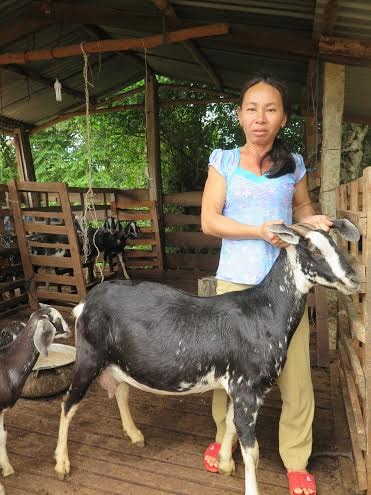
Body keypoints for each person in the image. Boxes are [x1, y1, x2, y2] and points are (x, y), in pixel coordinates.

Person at [201, 74, 332, 495]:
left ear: (283, 118)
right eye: (252, 108)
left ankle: (296, 458)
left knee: (296, 375)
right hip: (235, 287)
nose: (260, 118)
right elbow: (209, 220)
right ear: (240, 115)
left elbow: (304, 210)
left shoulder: (292, 165)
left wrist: (312, 222)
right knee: (225, 373)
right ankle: (226, 439)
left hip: (285, 289)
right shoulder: (223, 161)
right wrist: (258, 231)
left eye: (270, 109)